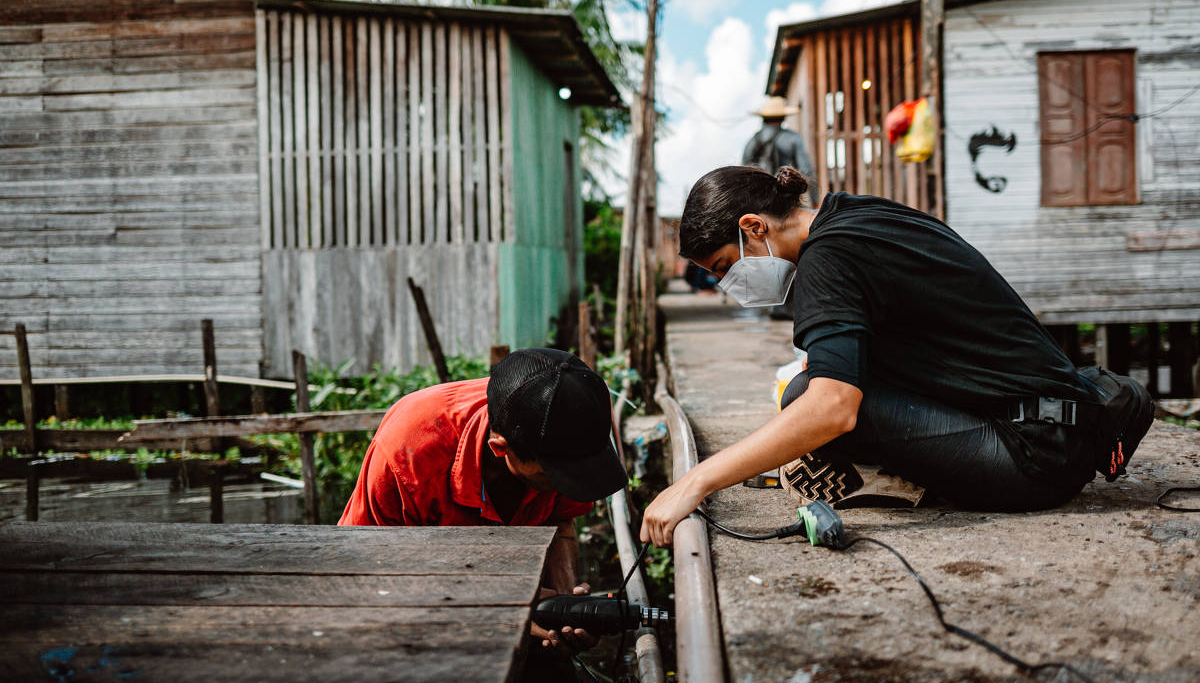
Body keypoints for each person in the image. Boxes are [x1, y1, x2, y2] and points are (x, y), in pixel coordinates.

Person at [640, 165, 1154, 547]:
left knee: (810, 400)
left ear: (754, 226)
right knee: (805, 385)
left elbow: (833, 408)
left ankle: (901, 480)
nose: (732, 285)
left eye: (726, 266)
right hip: (1058, 425)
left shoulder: (826, 260)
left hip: (1033, 456)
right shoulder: (856, 214)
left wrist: (695, 481)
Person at [340, 347, 627, 660]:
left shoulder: (571, 422)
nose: (566, 486)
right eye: (555, 477)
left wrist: (563, 608)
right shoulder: (408, 453)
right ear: (500, 448)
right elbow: (367, 571)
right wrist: (507, 609)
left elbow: (561, 522)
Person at [742, 96, 815, 319]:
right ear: (783, 116)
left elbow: (743, 172)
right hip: (788, 204)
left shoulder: (753, 141)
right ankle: (793, 306)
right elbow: (806, 170)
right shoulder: (791, 139)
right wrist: (816, 199)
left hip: (760, 206)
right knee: (793, 250)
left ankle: (775, 303)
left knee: (769, 252)